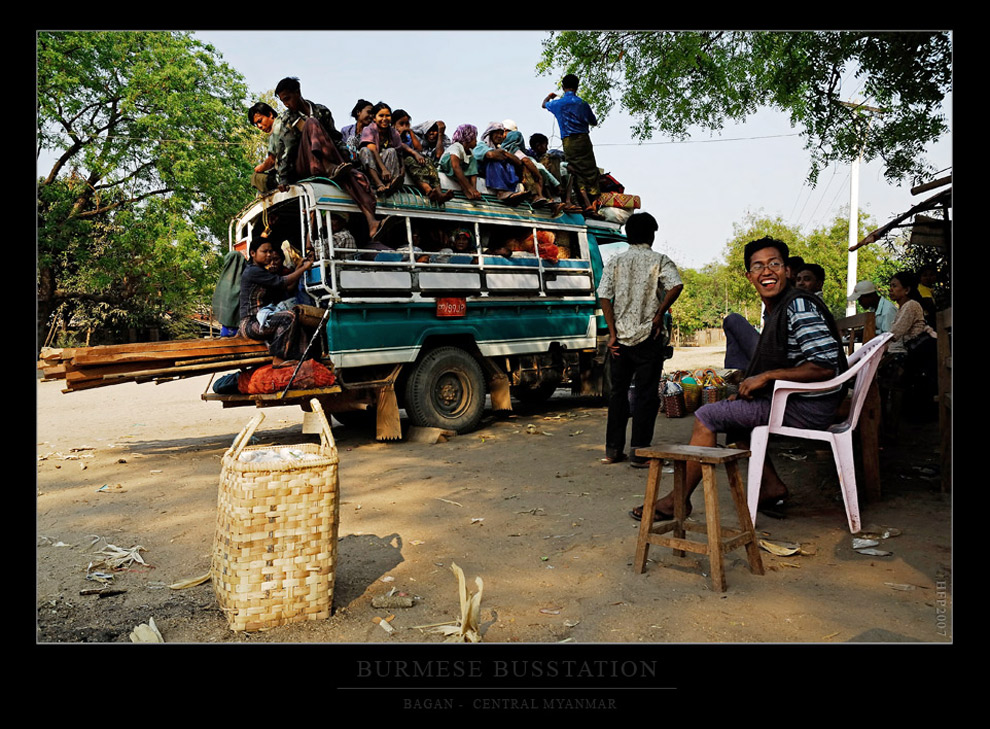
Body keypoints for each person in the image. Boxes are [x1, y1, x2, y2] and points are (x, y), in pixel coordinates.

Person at [632, 236, 847, 522]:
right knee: (734, 411)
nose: (766, 271)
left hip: (807, 407)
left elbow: (825, 366)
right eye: (758, 267)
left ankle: (677, 500)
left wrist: (767, 376)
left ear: (787, 271)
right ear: (749, 276)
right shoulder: (781, 308)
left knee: (708, 415)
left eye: (774, 264)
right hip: (798, 400)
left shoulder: (799, 307)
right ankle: (771, 488)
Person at [597, 212, 684, 467]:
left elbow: (604, 296)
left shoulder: (615, 261)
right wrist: (660, 313)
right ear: (652, 235)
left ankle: (613, 451)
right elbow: (676, 285)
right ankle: (640, 453)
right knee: (646, 395)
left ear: (627, 235)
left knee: (618, 394)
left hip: (620, 340)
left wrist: (612, 333)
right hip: (649, 337)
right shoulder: (659, 260)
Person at [272, 77, 382, 239]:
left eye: (288, 99)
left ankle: (371, 220)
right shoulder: (287, 119)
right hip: (304, 164)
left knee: (351, 175)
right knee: (311, 123)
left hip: (328, 160)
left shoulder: (322, 111)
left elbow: (336, 138)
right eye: (283, 101)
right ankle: (329, 166)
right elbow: (286, 151)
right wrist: (283, 178)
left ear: (298, 92)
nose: (286, 104)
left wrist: (347, 158)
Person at [239, 237, 316, 367]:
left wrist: (298, 266)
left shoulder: (262, 271)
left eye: (270, 251)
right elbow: (283, 281)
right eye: (265, 252)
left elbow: (287, 287)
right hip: (251, 323)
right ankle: (279, 358)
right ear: (253, 253)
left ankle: (304, 358)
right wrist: (304, 268)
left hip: (260, 320)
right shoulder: (253, 271)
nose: (269, 255)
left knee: (299, 322)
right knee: (289, 317)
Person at [543, 74, 600, 216]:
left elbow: (544, 104)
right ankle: (593, 204)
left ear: (563, 87)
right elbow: (593, 121)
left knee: (575, 170)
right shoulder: (582, 104)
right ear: (577, 87)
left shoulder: (558, 104)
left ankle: (586, 203)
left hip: (568, 142)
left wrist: (550, 96)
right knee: (590, 170)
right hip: (583, 140)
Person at [392, 109, 454, 203]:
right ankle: (429, 191)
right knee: (410, 160)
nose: (404, 127)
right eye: (401, 124)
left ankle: (439, 193)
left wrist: (410, 132)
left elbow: (419, 149)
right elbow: (401, 145)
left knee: (428, 161)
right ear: (393, 125)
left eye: (407, 124)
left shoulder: (409, 136)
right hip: (402, 160)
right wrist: (414, 153)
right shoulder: (392, 134)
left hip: (415, 157)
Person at [473, 122, 530, 204]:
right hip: (483, 172)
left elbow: (518, 162)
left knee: (509, 164)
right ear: (490, 134)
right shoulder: (482, 145)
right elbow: (491, 155)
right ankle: (501, 192)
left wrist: (506, 154)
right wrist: (503, 154)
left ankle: (511, 190)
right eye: (497, 133)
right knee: (494, 162)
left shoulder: (501, 148)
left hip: (496, 173)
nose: (499, 136)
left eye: (501, 134)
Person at [358, 101, 406, 196]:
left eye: (387, 116)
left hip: (388, 170)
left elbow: (399, 153)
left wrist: (402, 171)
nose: (384, 119)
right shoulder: (368, 129)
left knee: (391, 151)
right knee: (365, 150)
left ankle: (390, 185)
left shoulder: (393, 133)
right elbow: (373, 149)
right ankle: (379, 184)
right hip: (373, 167)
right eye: (381, 115)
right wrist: (383, 169)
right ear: (374, 118)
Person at [438, 124, 483, 201]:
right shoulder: (456, 146)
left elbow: (473, 171)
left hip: (459, 170)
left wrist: (473, 189)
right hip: (448, 168)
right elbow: (455, 166)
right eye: (474, 138)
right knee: (456, 165)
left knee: (473, 160)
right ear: (468, 139)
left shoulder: (470, 153)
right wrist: (469, 188)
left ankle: (471, 191)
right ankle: (467, 189)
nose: (476, 141)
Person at [247, 101, 282, 194]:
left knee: (256, 177)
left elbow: (271, 161)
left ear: (270, 114)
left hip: (286, 177)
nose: (259, 126)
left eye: (260, 121)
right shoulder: (286, 122)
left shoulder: (276, 128)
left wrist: (260, 168)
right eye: (256, 124)